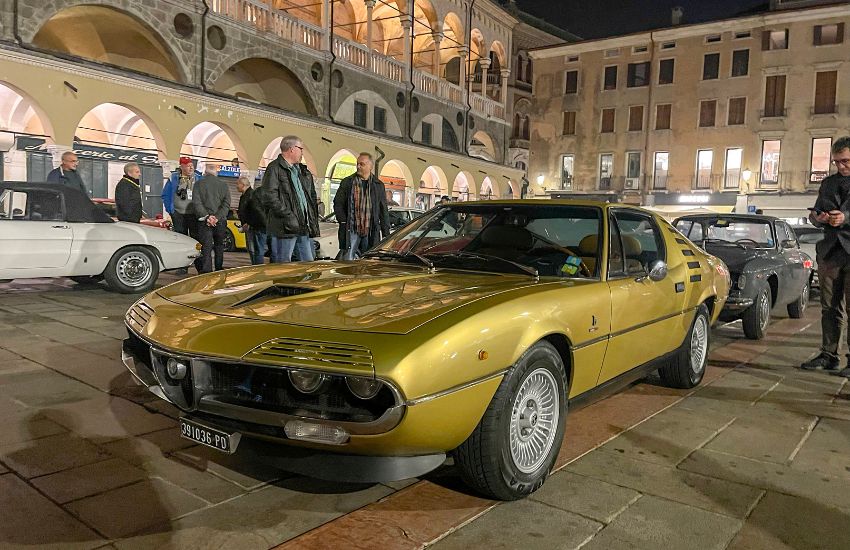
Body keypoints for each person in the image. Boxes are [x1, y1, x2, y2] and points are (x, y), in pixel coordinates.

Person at [801, 136, 850, 376]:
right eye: (837, 162)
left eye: (846, 161)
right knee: (829, 306)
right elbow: (816, 211)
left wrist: (845, 218)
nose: (841, 166)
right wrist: (817, 218)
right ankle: (829, 354)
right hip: (831, 252)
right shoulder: (828, 184)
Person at [259, 135, 319, 263]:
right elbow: (269, 196)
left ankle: (304, 283)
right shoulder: (274, 168)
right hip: (285, 226)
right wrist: (288, 215)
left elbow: (310, 195)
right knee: (283, 263)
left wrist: (312, 212)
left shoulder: (302, 171)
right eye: (300, 149)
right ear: (292, 149)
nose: (302, 152)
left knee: (308, 264)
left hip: (303, 225)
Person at [333, 152, 390, 260]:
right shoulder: (348, 182)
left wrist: (386, 232)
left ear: (370, 166)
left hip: (370, 229)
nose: (358, 166)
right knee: (348, 259)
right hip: (351, 229)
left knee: (368, 259)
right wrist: (343, 221)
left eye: (362, 164)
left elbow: (383, 210)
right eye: (357, 164)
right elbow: (338, 203)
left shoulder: (378, 185)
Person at [162, 157, 202, 274]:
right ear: (181, 167)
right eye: (188, 165)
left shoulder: (199, 178)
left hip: (194, 214)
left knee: (196, 239)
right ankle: (182, 266)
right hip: (178, 214)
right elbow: (165, 195)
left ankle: (199, 265)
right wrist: (171, 210)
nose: (191, 167)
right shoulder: (173, 178)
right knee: (181, 240)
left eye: (192, 165)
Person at [192, 164, 231, 273]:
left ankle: (206, 271)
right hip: (220, 222)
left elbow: (197, 203)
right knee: (219, 246)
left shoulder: (198, 184)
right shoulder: (224, 185)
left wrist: (208, 217)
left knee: (206, 247)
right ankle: (218, 268)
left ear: (205, 172)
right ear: (216, 172)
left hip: (204, 222)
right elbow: (226, 204)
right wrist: (217, 217)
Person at [236, 176, 267, 265]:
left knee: (256, 250)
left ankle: (257, 269)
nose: (236, 186)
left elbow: (256, 212)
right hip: (252, 226)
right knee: (253, 250)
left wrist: (248, 223)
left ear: (243, 184)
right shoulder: (246, 195)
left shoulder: (251, 195)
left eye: (237, 184)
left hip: (254, 227)